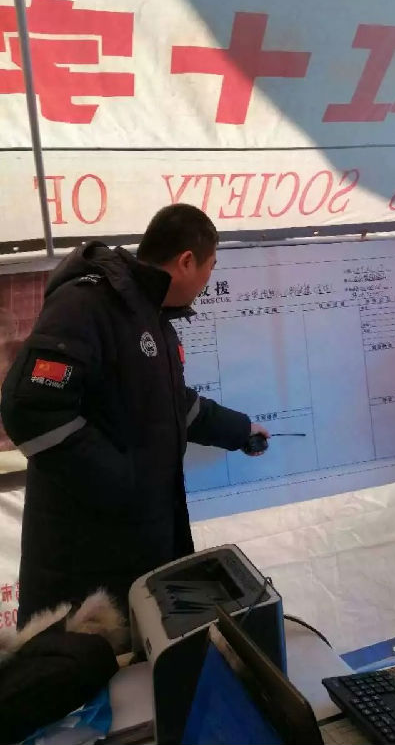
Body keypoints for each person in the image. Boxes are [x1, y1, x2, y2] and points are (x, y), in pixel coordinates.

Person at [0, 204, 269, 626]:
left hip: (134, 545)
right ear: (186, 261)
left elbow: (172, 403)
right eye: (211, 266)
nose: (208, 280)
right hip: (85, 557)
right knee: (87, 663)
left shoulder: (151, 315)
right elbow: (31, 408)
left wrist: (240, 430)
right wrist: (122, 481)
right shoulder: (87, 303)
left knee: (140, 658)